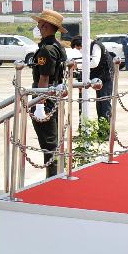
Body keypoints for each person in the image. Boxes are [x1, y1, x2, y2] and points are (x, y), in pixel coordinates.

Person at [28, 10, 67, 177]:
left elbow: (44, 78)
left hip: (45, 96)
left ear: (45, 26)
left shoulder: (47, 50)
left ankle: (53, 177)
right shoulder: (58, 46)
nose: (37, 27)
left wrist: (39, 105)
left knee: (48, 141)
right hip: (53, 94)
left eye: (39, 24)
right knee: (52, 139)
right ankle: (55, 174)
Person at [70, 36, 113, 121]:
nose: (80, 50)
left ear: (82, 44)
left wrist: (78, 66)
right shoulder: (89, 47)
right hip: (99, 77)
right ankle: (101, 124)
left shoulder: (96, 46)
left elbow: (94, 63)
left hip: (106, 76)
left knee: (105, 101)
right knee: (99, 103)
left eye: (79, 48)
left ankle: (107, 126)